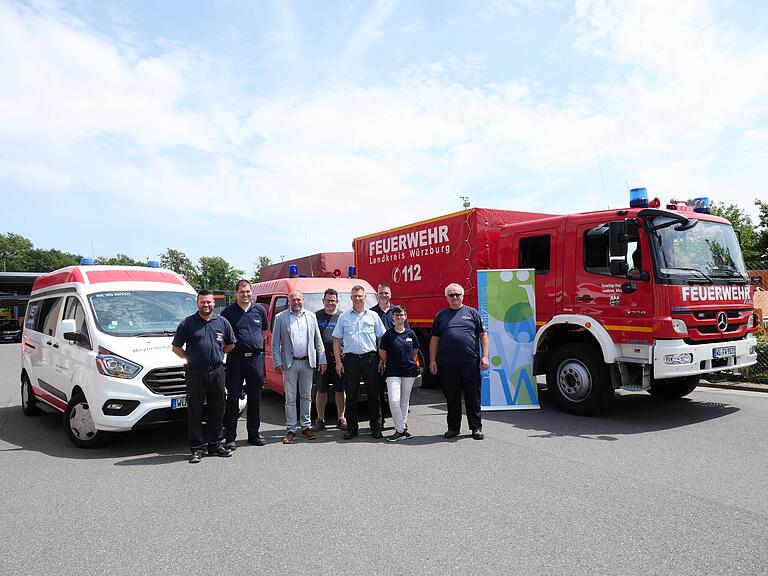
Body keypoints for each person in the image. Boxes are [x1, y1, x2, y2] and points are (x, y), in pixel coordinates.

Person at [172, 289, 236, 463]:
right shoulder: (187, 323)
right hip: (195, 372)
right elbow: (176, 348)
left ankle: (214, 444)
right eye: (203, 302)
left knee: (217, 408)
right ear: (197, 303)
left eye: (209, 302)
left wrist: (216, 353)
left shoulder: (222, 322)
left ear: (214, 303)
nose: (206, 305)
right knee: (195, 410)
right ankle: (197, 448)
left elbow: (231, 344)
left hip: (217, 371)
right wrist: (191, 357)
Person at [429, 283, 490, 440]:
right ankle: (453, 428)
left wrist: (485, 356)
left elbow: (483, 335)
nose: (455, 297)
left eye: (457, 294)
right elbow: (434, 339)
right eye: (451, 295)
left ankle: (476, 428)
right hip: (448, 364)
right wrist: (432, 360)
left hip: (470, 362)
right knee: (452, 397)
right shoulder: (440, 316)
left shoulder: (472, 313)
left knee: (473, 396)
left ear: (463, 296)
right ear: (446, 297)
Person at [271, 290, 327, 444]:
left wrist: (322, 359)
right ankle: (290, 429)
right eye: (293, 300)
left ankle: (306, 427)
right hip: (290, 362)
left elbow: (318, 340)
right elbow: (275, 342)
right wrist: (277, 361)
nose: (296, 302)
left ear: (303, 300)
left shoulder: (311, 316)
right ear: (289, 301)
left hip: (308, 362)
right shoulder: (280, 317)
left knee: (306, 396)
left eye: (298, 299)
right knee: (290, 398)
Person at [332, 285, 386, 439]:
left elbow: (381, 339)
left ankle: (375, 427)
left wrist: (382, 360)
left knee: (373, 394)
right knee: (351, 394)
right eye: (354, 296)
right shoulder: (344, 317)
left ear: (365, 297)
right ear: (351, 298)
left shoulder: (373, 316)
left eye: (360, 296)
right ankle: (351, 428)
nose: (357, 298)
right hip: (351, 360)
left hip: (371, 358)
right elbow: (336, 340)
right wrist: (338, 362)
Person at [221, 279, 269, 449]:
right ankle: (230, 437)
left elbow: (264, 332)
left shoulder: (260, 310)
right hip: (236, 359)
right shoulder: (228, 312)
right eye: (242, 292)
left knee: (255, 398)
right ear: (236, 293)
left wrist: (252, 344)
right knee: (233, 398)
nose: (246, 294)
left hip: (255, 359)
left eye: (248, 291)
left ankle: (254, 434)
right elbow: (223, 335)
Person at [369, 283, 409, 428]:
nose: (383, 295)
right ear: (377, 295)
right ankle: (380, 421)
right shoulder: (371, 313)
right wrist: (381, 359)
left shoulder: (398, 311)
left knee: (398, 394)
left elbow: (407, 334)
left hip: (397, 359)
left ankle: (400, 422)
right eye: (381, 293)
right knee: (379, 390)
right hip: (378, 357)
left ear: (390, 295)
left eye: (386, 293)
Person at [378, 305, 419, 442]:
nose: (399, 317)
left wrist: (408, 360)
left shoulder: (410, 334)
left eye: (401, 315)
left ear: (405, 316)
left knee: (404, 401)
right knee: (394, 400)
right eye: (396, 315)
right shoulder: (388, 335)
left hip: (409, 371)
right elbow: (382, 352)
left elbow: (415, 350)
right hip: (393, 371)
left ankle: (399, 429)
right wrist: (387, 362)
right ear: (393, 317)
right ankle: (401, 429)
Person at [312, 288, 346, 431]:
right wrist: (319, 358)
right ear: (323, 301)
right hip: (321, 360)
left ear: (337, 301)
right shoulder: (316, 316)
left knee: (340, 389)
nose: (330, 303)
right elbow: (312, 338)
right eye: (328, 300)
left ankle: (341, 418)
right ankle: (320, 419)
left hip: (338, 360)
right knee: (321, 390)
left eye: (333, 300)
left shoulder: (342, 316)